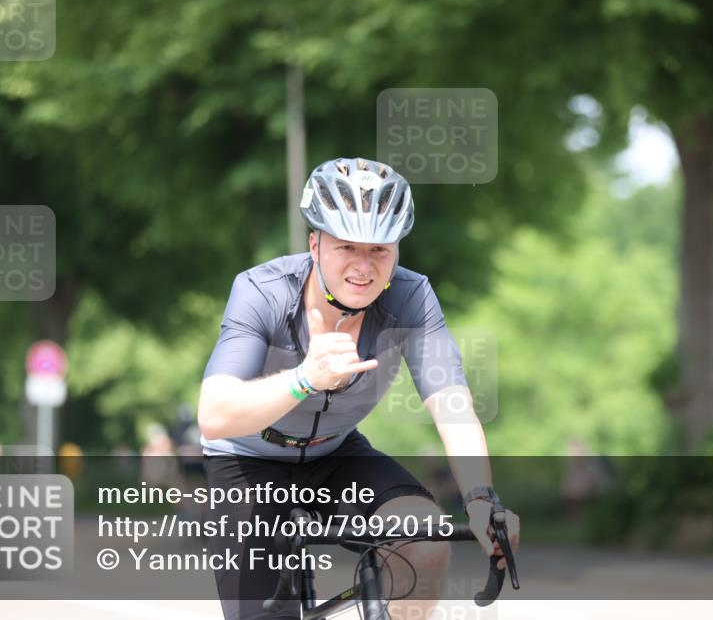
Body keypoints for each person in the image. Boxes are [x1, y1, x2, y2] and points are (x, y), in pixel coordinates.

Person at [199, 157, 520, 620]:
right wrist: (304, 378)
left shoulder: (411, 297)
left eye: (380, 250)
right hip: (247, 461)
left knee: (425, 542)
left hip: (335, 454)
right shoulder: (262, 291)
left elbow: (452, 404)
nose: (363, 267)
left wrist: (480, 498)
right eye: (346, 246)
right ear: (315, 244)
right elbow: (215, 413)